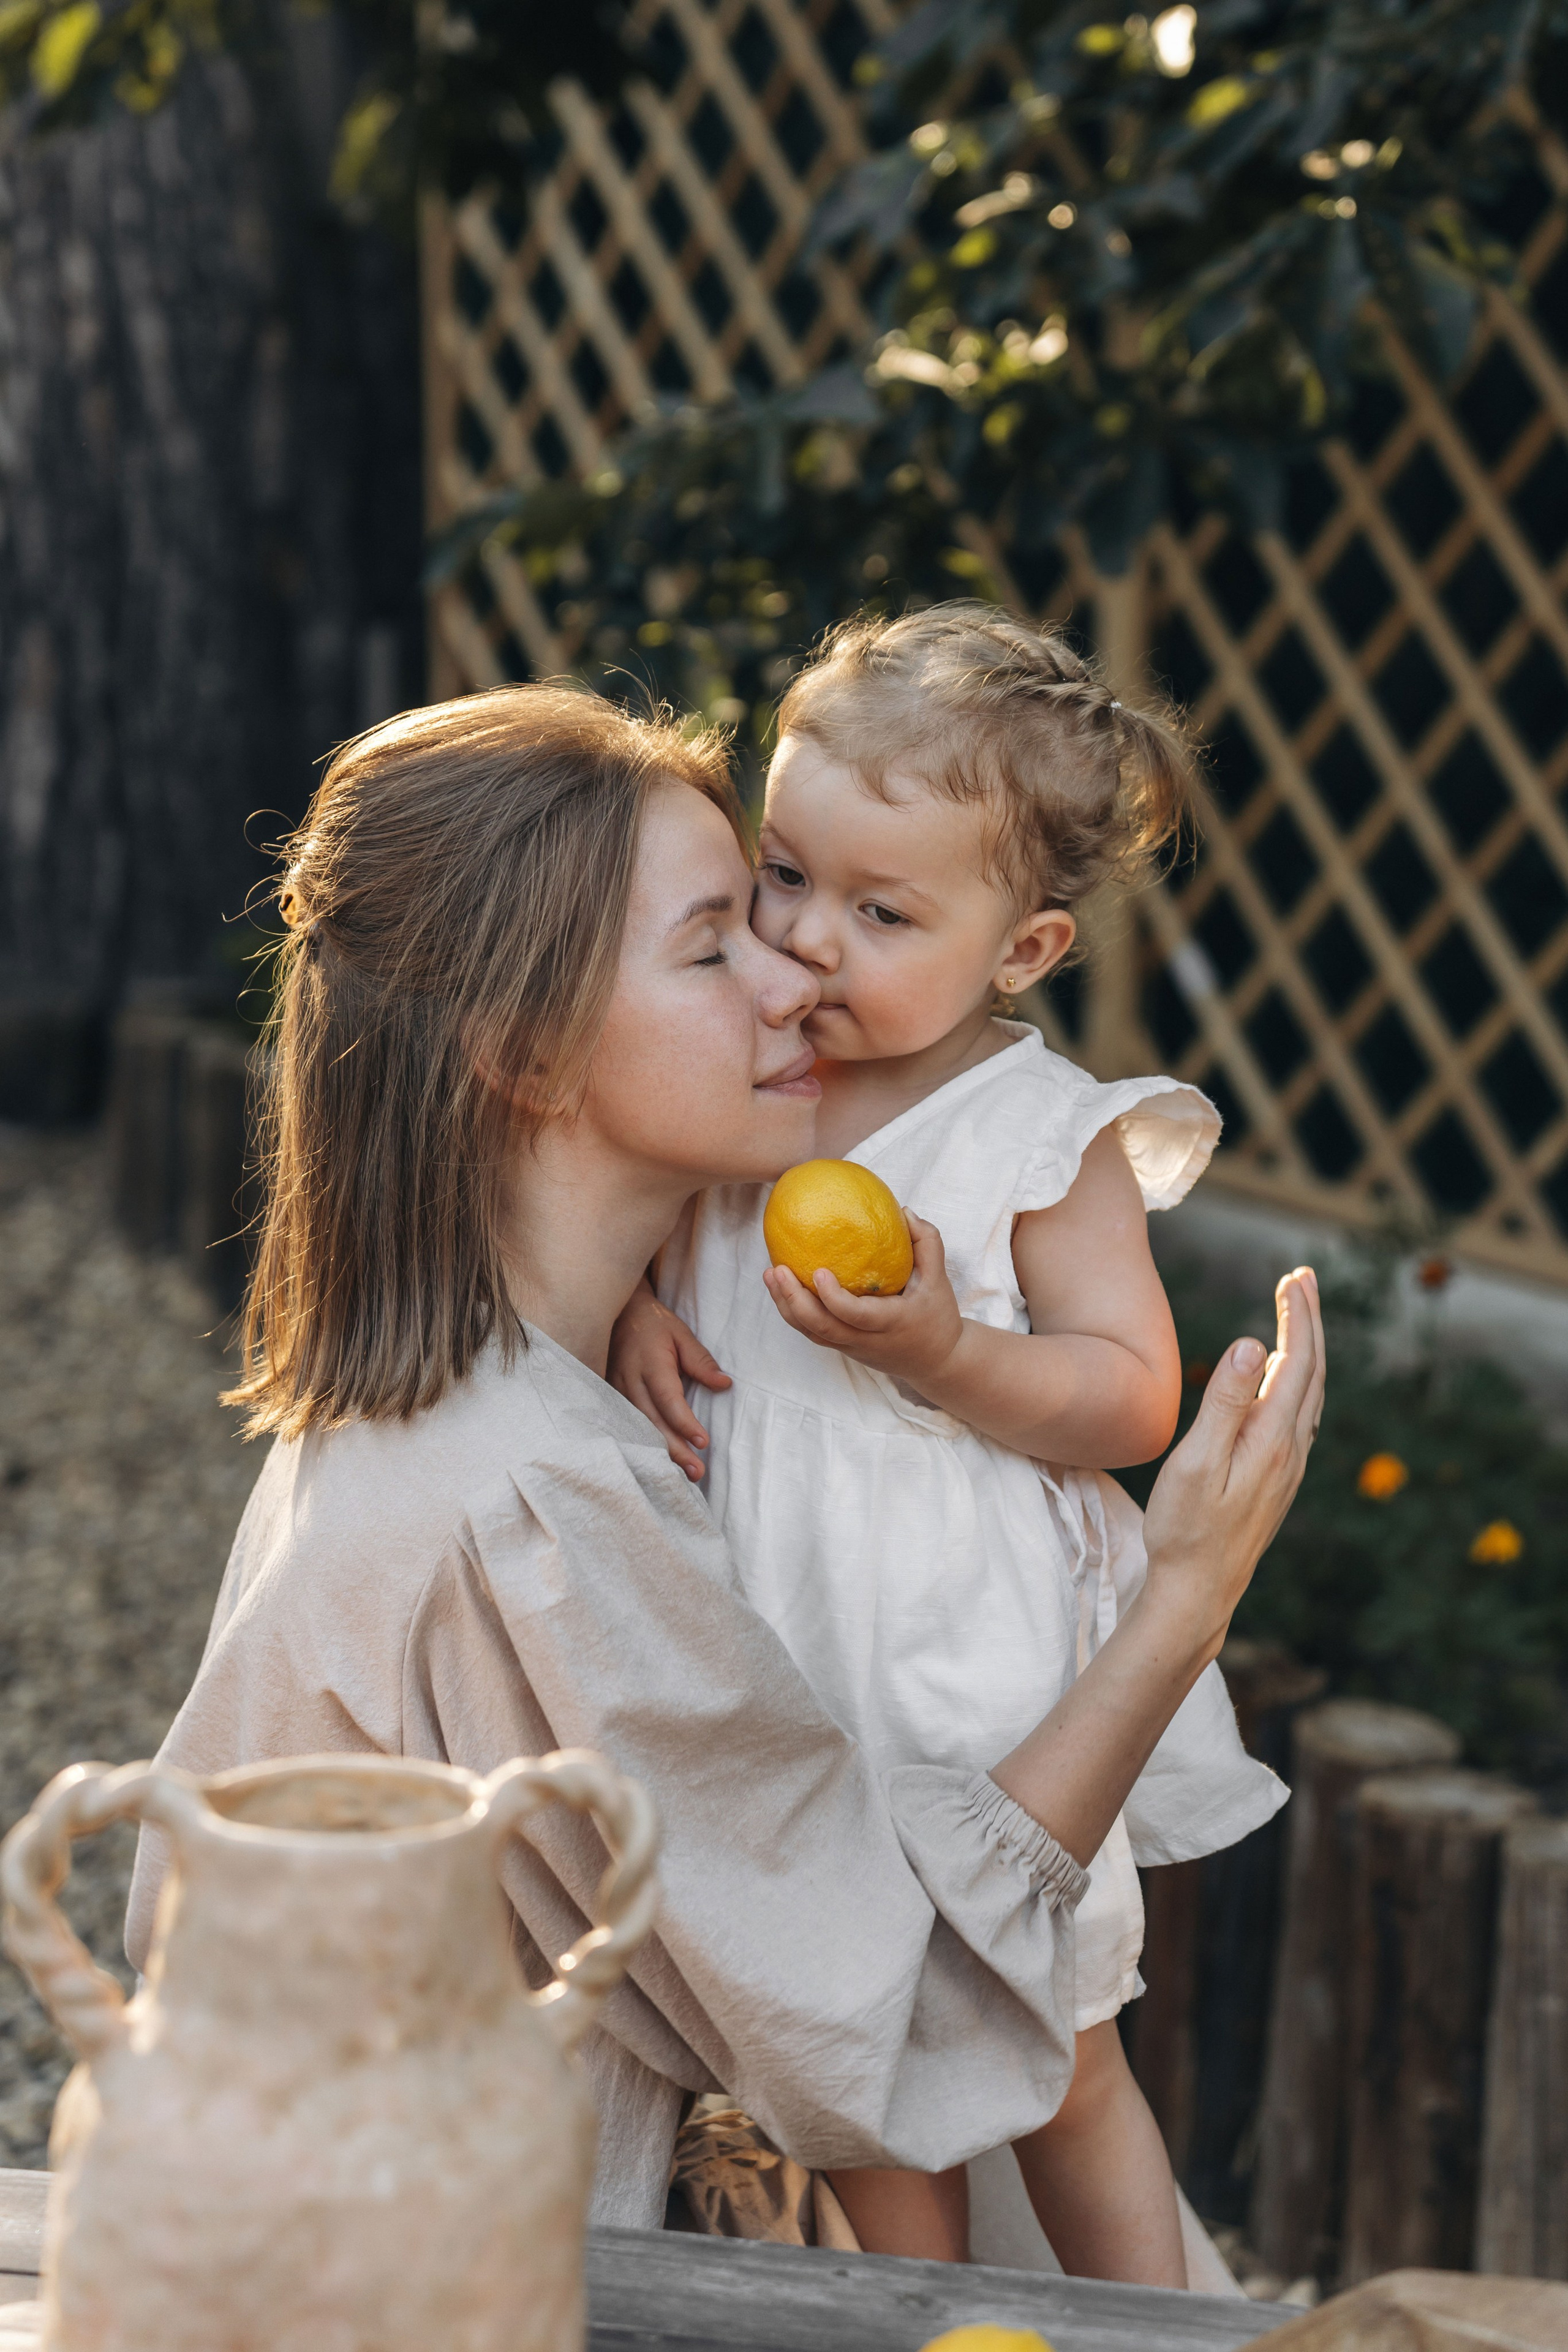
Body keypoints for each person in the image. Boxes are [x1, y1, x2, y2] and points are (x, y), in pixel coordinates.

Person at [126, 685, 1324, 2247]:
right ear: (525, 1054)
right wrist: (1182, 1601)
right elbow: (900, 2025)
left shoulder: (468, 1400)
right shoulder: (533, 1509)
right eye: (724, 935)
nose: (797, 972)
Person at [609, 606, 1277, 2280]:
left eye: (881, 911)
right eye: (783, 877)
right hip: (788, 1679)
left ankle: (1156, 2336)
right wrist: (633, 1308)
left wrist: (946, 1349)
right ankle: (915, 2325)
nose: (807, 943)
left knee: (1056, 2064)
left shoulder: (1041, 1137)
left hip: (980, 1699)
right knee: (856, 2087)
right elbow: (637, 1222)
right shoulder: (746, 1066)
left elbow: (1128, 1396)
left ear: (1023, 951)